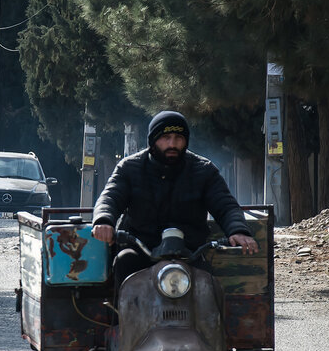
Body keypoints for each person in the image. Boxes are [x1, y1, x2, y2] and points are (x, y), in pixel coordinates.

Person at [92, 110, 258, 289]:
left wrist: (238, 230)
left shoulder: (204, 170)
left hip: (189, 252)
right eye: (166, 137)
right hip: (142, 249)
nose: (172, 144)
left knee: (208, 286)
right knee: (124, 263)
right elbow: (110, 196)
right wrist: (104, 221)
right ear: (153, 140)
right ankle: (122, 317)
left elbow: (225, 205)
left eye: (178, 138)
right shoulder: (129, 168)